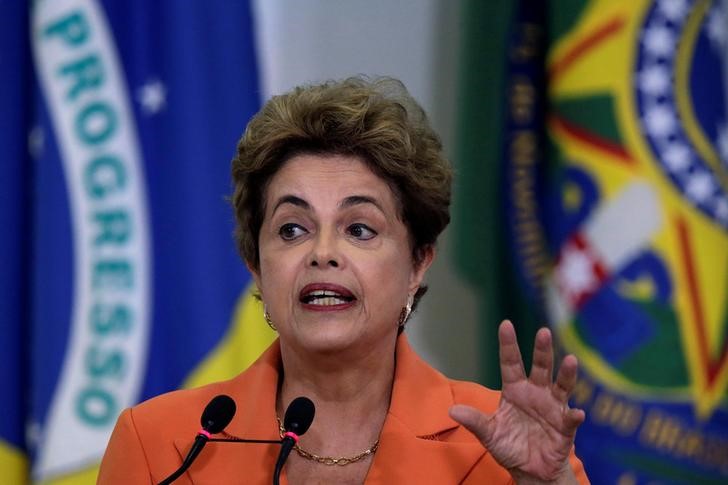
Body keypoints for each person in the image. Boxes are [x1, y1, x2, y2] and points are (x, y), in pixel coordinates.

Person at [97, 77, 588, 484]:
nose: (323, 253)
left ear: (418, 263)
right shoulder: (160, 443)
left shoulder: (497, 446)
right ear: (256, 266)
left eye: (359, 228)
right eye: (292, 229)